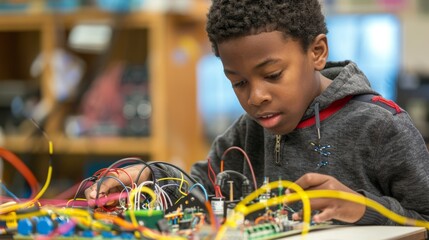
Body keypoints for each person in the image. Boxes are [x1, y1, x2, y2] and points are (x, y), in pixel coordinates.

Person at [85, 0, 429, 226]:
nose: (257, 97)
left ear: (317, 52)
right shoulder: (244, 134)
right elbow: (198, 193)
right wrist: (148, 177)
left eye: (273, 75)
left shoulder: (382, 126)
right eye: (238, 83)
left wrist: (365, 209)